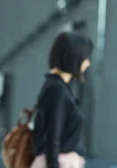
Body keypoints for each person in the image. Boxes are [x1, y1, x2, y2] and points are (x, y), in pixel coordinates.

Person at [30, 31, 93, 168]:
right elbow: (52, 136)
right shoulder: (57, 90)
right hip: (58, 163)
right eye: (85, 58)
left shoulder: (58, 87)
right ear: (74, 57)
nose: (88, 63)